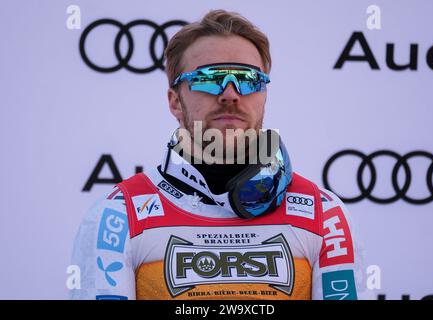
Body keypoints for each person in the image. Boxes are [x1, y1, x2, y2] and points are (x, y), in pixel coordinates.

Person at [71, 9, 370, 300]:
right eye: (208, 78)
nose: (230, 93)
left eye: (249, 79)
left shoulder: (323, 214)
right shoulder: (119, 217)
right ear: (175, 101)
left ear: (263, 97)